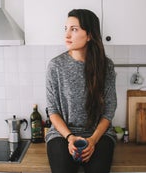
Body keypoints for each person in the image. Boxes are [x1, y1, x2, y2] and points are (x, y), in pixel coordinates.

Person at [45, 9, 117, 173]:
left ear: (89, 35)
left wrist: (92, 140)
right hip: (62, 134)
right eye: (66, 29)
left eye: (74, 29)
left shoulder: (106, 66)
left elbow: (109, 110)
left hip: (98, 134)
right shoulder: (55, 66)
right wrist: (70, 138)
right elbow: (53, 110)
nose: (67, 35)